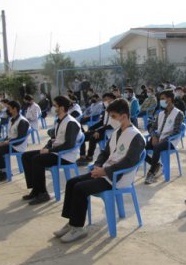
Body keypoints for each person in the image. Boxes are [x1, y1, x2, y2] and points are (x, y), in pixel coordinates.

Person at [54, 98, 146, 243]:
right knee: (71, 182)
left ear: (124, 116)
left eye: (114, 117)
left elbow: (130, 162)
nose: (111, 120)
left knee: (80, 188)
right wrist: (98, 165)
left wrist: (105, 171)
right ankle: (72, 222)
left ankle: (78, 228)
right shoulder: (117, 132)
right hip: (106, 172)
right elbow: (104, 152)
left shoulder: (136, 137)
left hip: (117, 178)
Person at [21, 96, 83, 205]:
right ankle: (36, 189)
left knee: (37, 160)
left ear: (62, 108)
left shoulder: (71, 122)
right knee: (26, 156)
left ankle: (43, 193)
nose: (53, 108)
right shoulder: (59, 121)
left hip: (65, 156)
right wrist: (46, 147)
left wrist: (49, 151)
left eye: (55, 106)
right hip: (56, 151)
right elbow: (54, 139)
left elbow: (69, 144)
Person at [0, 100, 30, 182]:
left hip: (17, 146)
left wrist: (5, 143)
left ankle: (4, 172)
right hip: (9, 143)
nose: (7, 110)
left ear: (14, 109)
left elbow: (20, 139)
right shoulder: (12, 119)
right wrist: (2, 141)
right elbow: (10, 134)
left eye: (9, 108)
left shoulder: (22, 121)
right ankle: (2, 168)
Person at [145, 90, 183, 184]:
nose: (160, 101)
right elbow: (153, 127)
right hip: (158, 138)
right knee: (141, 149)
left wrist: (164, 139)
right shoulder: (161, 113)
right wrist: (154, 136)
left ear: (169, 99)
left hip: (170, 141)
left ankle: (151, 172)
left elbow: (176, 131)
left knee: (157, 147)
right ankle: (156, 165)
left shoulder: (178, 113)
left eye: (162, 99)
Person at [77, 93, 116, 164]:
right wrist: (92, 128)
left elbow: (113, 125)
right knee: (82, 136)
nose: (105, 102)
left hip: (110, 132)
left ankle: (89, 156)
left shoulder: (116, 111)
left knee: (93, 137)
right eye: (104, 100)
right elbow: (102, 122)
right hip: (103, 129)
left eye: (107, 99)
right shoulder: (106, 110)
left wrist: (98, 130)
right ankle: (82, 156)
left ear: (113, 100)